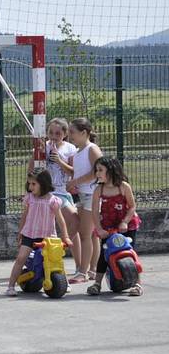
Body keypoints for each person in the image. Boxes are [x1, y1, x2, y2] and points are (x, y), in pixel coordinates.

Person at [6, 168, 72, 296]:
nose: (30, 187)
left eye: (33, 184)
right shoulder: (30, 198)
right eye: (29, 184)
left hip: (48, 237)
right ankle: (11, 286)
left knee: (56, 260)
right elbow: (24, 216)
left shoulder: (53, 200)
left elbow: (61, 220)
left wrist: (66, 237)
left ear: (43, 183)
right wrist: (20, 233)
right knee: (20, 259)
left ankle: (65, 283)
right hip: (29, 234)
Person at [28, 118, 81, 275]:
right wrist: (37, 154)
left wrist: (59, 161)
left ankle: (78, 265)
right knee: (48, 227)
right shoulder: (43, 148)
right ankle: (46, 256)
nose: (54, 136)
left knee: (74, 222)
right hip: (47, 193)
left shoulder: (70, 149)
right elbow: (31, 170)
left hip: (62, 192)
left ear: (64, 134)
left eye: (58, 133)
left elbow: (73, 172)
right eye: (51, 132)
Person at [88, 157, 142, 296]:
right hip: (108, 227)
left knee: (130, 252)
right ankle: (97, 283)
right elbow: (94, 211)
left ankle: (137, 284)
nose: (97, 173)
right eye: (96, 170)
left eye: (100, 170)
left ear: (111, 171)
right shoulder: (99, 189)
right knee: (104, 254)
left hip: (127, 225)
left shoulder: (123, 187)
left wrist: (125, 221)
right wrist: (99, 228)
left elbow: (132, 207)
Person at [65, 118, 103, 284]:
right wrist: (75, 184)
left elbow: (98, 172)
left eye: (72, 132)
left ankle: (83, 272)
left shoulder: (91, 149)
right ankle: (93, 269)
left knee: (85, 234)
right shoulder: (79, 152)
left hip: (91, 195)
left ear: (84, 133)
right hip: (82, 195)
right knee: (92, 235)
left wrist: (76, 181)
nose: (70, 135)